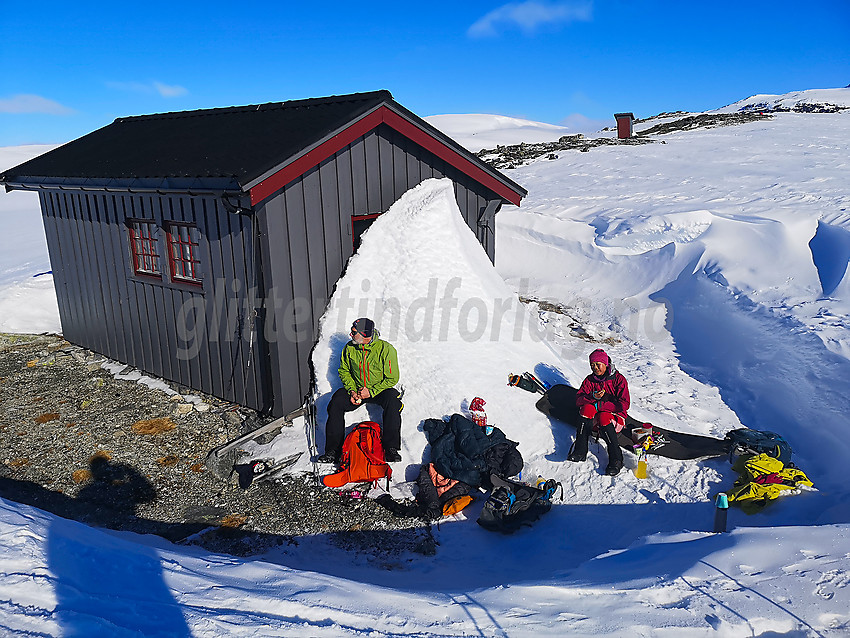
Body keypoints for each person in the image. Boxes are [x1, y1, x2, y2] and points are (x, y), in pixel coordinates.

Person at [318, 318, 403, 464]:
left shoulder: (386, 349)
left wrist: (371, 391)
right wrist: (352, 390)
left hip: (379, 390)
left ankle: (391, 448)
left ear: (365, 335)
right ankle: (333, 450)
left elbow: (392, 378)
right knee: (336, 402)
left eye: (354, 332)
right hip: (357, 390)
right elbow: (344, 371)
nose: (350, 335)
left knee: (393, 401)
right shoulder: (349, 348)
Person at [569, 348, 630, 476]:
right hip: (594, 422)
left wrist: (601, 405)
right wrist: (592, 397)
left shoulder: (618, 379)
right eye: (592, 365)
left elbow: (624, 404)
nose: (595, 368)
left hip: (613, 420)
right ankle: (580, 451)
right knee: (586, 408)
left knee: (603, 416)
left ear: (606, 364)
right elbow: (578, 400)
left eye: (598, 364)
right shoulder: (590, 380)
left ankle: (616, 459)